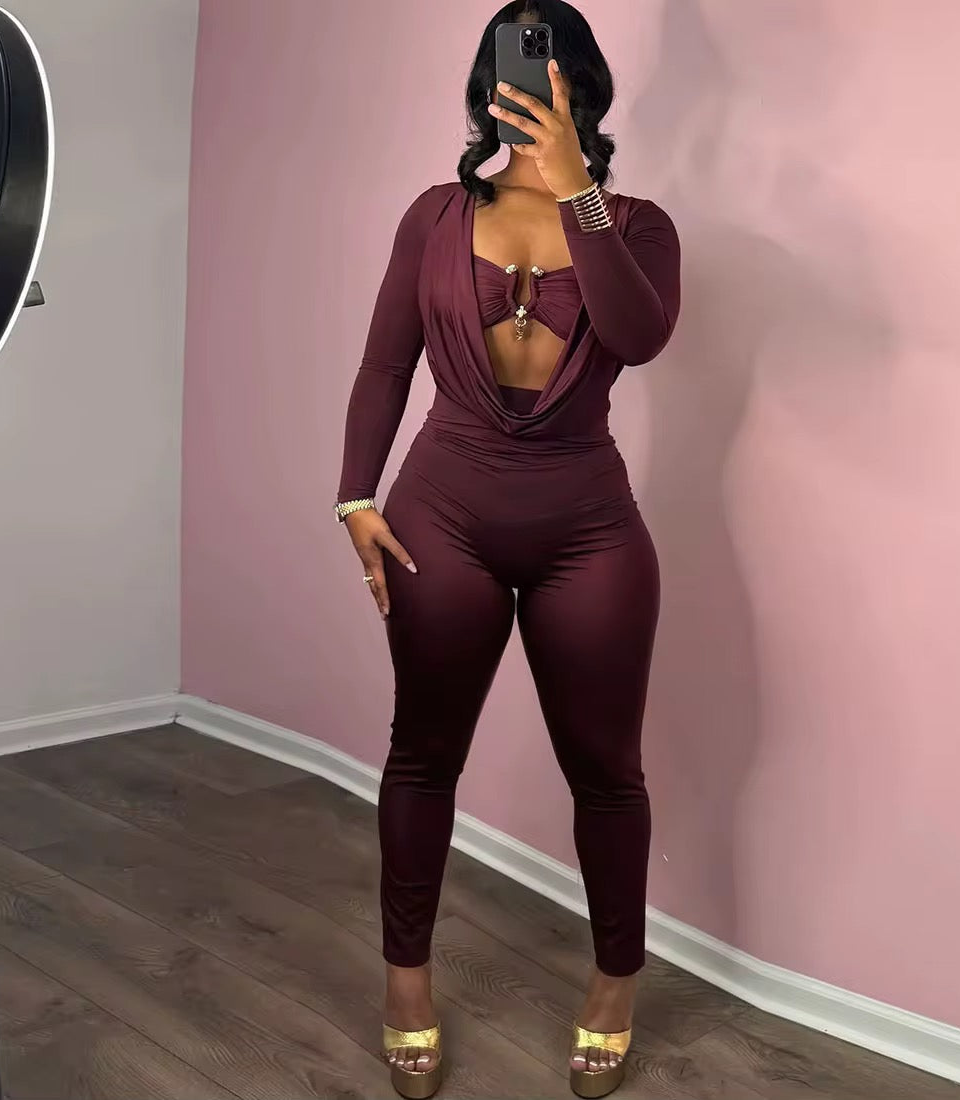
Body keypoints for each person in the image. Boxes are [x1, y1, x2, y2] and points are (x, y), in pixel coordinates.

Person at [334, 3, 681, 1095]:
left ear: (583, 84)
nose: (529, 82)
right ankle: (405, 984)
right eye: (511, 62)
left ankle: (614, 983)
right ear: (487, 84)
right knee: (422, 753)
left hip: (589, 524)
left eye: (548, 64)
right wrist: (353, 497)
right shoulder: (435, 214)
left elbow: (638, 337)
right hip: (442, 512)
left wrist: (577, 186)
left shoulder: (638, 225)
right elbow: (385, 364)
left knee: (607, 771)